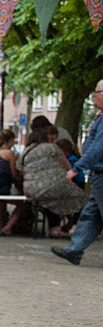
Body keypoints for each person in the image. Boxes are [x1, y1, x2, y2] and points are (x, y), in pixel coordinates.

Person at [52, 80, 103, 265]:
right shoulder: (100, 116)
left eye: (96, 93)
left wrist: (76, 168)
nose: (93, 97)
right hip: (98, 174)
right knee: (91, 216)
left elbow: (98, 148)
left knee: (94, 214)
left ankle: (74, 250)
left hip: (101, 173)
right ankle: (74, 250)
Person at [17, 128, 86, 238]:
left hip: (31, 189)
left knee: (49, 200)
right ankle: (75, 226)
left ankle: (54, 228)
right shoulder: (53, 148)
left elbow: (20, 170)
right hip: (53, 184)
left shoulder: (25, 151)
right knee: (81, 198)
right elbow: (68, 166)